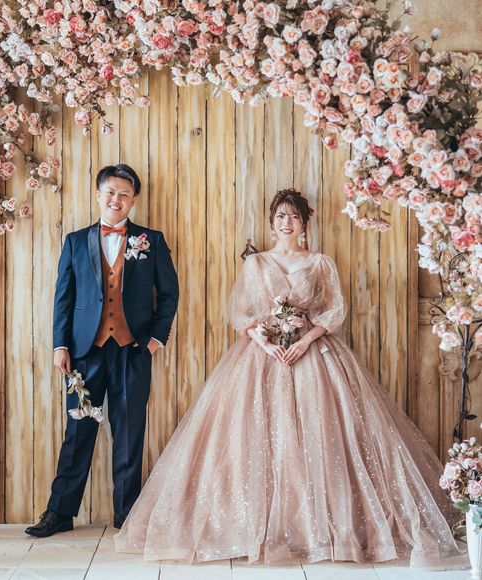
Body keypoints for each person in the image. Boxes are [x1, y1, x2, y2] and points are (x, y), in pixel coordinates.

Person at [114, 188, 466, 568]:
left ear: (304, 223)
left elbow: (332, 311)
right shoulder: (256, 264)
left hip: (312, 354)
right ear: (272, 222)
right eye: (281, 216)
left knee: (323, 434)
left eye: (294, 216)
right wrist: (266, 345)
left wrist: (305, 340)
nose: (287, 222)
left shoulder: (319, 263)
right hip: (262, 357)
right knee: (251, 437)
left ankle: (321, 530)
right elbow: (243, 314)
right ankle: (252, 526)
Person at [25, 164, 179, 538]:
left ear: (133, 199)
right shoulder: (76, 242)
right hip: (84, 353)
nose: (116, 200)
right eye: (110, 192)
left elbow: (169, 293)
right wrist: (60, 345)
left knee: (129, 434)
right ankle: (60, 512)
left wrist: (156, 339)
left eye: (124, 194)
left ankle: (127, 516)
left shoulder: (152, 240)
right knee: (78, 432)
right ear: (98, 195)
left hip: (133, 350)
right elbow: (63, 298)